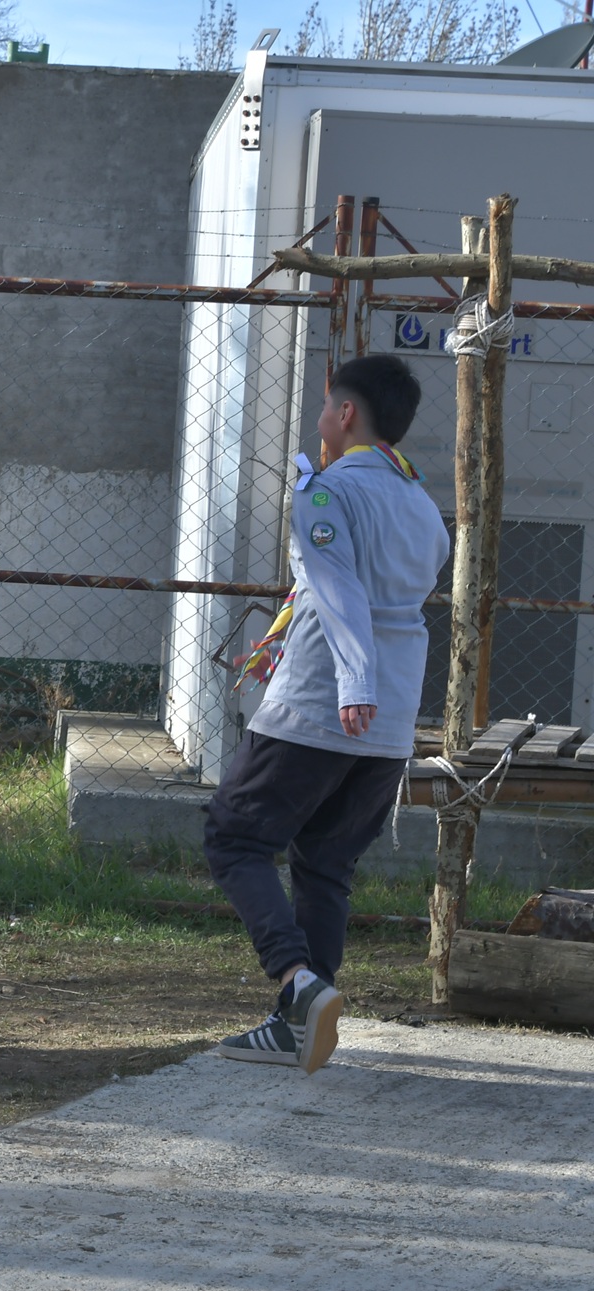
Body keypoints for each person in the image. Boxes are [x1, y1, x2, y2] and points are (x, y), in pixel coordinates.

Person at [214, 354, 449, 1074]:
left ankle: (296, 979)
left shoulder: (326, 493)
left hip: (325, 703)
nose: (318, 423)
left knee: (235, 836)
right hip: (392, 717)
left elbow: (340, 589)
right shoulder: (421, 504)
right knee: (326, 862)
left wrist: (352, 683)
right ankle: (298, 1025)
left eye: (324, 409)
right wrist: (375, 694)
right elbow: (411, 590)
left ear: (346, 414)